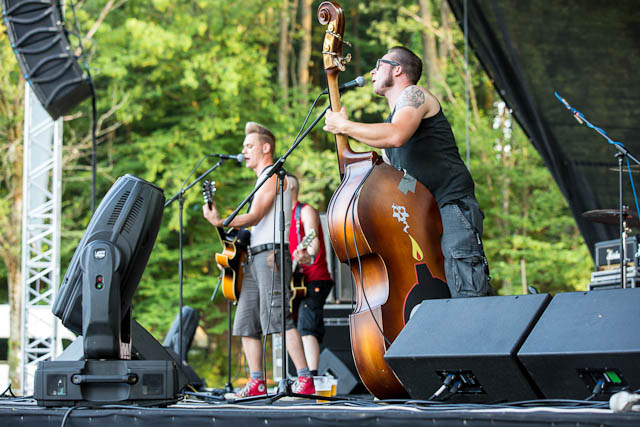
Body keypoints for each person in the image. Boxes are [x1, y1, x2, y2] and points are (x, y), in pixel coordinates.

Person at [323, 46, 493, 298]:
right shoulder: (392, 122)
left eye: (379, 64)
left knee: (468, 295)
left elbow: (397, 135)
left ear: (398, 69)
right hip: (425, 219)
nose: (372, 71)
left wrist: (345, 126)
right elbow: (397, 182)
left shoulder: (415, 94)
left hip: (451, 206)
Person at [203, 122, 315, 397]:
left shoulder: (274, 176)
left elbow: (255, 216)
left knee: (278, 317)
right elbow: (249, 227)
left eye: (249, 145)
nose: (243, 150)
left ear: (266, 148)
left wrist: (221, 220)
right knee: (245, 321)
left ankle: (304, 378)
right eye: (244, 146)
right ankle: (256, 382)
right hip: (255, 256)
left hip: (272, 255)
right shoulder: (261, 178)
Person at [287, 175, 334, 376]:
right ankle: (303, 376)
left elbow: (312, 239)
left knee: (307, 328)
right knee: (297, 328)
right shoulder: (281, 218)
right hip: (296, 282)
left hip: (314, 277)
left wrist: (309, 253)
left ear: (288, 187)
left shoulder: (304, 211)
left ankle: (311, 377)